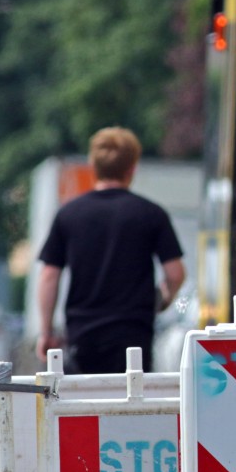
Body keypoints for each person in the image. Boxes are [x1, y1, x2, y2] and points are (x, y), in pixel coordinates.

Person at [37, 127, 185, 373]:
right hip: (133, 336)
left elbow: (49, 277)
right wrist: (161, 301)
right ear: (132, 168)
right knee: (130, 405)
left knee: (85, 405)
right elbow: (176, 274)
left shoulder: (69, 215)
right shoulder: (151, 214)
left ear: (93, 165)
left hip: (83, 336)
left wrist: (46, 332)